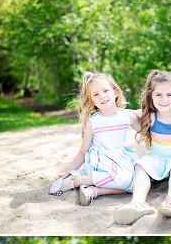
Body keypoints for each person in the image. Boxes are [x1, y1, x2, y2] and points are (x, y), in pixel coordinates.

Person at [113, 70, 171, 223]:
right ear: (151, 96)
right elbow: (123, 113)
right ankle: (138, 202)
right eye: (158, 95)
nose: (164, 99)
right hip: (157, 159)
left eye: (168, 95)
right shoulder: (150, 116)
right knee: (141, 165)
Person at [48, 72, 139, 206]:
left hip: (120, 158)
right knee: (125, 180)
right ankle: (76, 180)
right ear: (92, 101)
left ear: (116, 92)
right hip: (100, 162)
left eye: (105, 91)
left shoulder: (127, 116)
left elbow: (146, 130)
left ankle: (92, 190)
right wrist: (68, 172)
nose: (102, 96)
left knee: (138, 182)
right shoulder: (92, 122)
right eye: (96, 94)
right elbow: (82, 152)